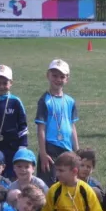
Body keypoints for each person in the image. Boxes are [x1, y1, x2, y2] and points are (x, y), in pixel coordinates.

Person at [38, 152, 106, 211]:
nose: (57, 174)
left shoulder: (85, 189)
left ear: (74, 171)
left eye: (61, 171)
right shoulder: (54, 189)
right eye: (57, 170)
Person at [35, 59, 79, 187]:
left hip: (67, 149)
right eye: (54, 75)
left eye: (62, 76)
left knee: (67, 184)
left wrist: (77, 151)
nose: (58, 79)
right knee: (48, 186)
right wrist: (43, 153)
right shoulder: (44, 100)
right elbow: (41, 128)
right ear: (48, 75)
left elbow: (72, 127)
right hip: (50, 149)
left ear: (67, 79)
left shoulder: (70, 101)